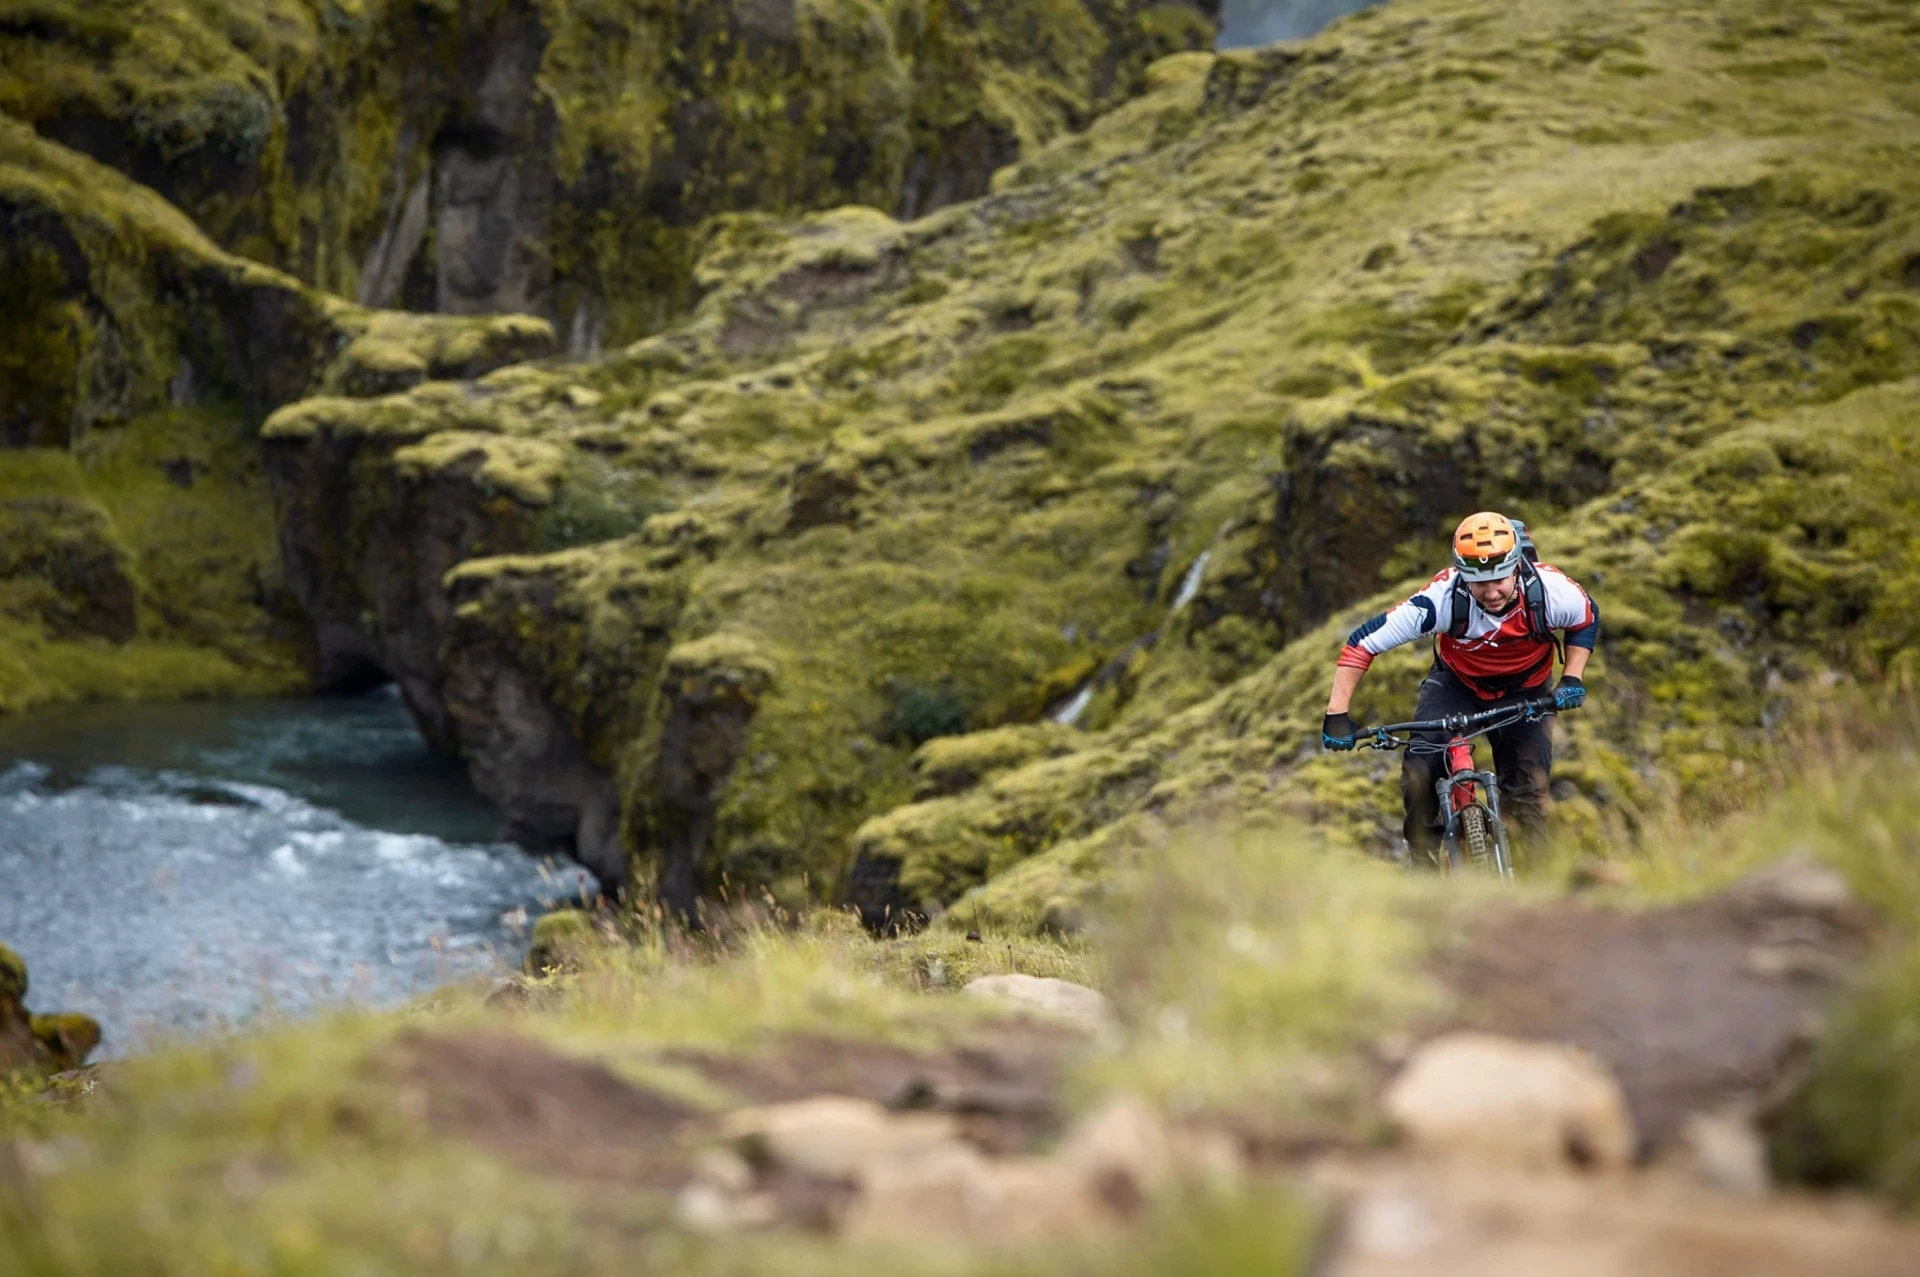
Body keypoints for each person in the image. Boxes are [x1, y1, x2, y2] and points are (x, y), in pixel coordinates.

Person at [1320, 512, 1599, 861]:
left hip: (1526, 689)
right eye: (1478, 582)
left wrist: (1571, 677)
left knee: (1528, 790)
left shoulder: (1553, 592)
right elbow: (1362, 643)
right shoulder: (1442, 598)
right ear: (1461, 574)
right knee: (1421, 767)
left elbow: (1586, 619)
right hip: (1457, 685)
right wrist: (1337, 715)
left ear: (1516, 566)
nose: (1491, 591)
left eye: (1499, 578)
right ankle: (1422, 860)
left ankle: (1536, 882)